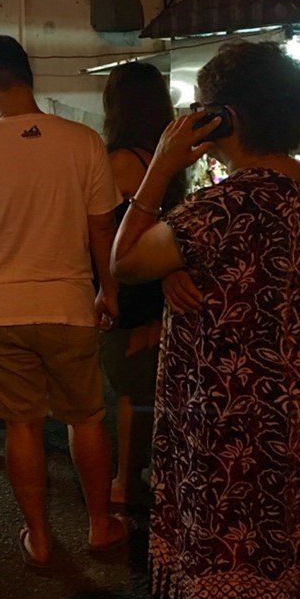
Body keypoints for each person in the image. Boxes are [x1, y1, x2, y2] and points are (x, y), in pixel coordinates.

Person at [111, 41, 300, 599]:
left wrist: (161, 167)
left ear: (225, 118)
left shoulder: (220, 207)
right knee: (290, 533)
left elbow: (124, 261)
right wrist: (178, 267)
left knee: (235, 538)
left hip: (236, 413)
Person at [0, 35, 127, 568]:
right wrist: (107, 291)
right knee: (86, 417)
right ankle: (99, 525)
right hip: (68, 304)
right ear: (27, 77)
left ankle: (40, 538)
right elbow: (101, 228)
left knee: (20, 425)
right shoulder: (83, 141)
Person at [99, 62, 187, 504]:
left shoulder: (119, 162)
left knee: (130, 388)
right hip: (161, 279)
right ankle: (147, 472)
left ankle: (123, 481)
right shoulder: (167, 158)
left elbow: (103, 233)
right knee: (151, 383)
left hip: (130, 285)